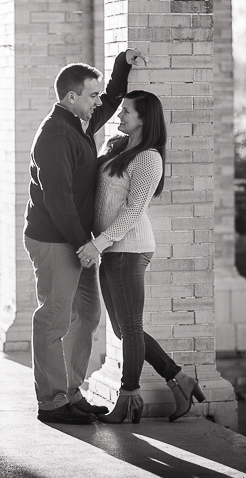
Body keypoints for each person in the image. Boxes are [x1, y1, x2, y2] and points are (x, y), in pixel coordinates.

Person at [26, 48, 145, 425]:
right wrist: (85, 246)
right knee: (54, 319)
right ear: (71, 97)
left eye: (96, 95)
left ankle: (71, 392)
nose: (98, 103)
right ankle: (51, 402)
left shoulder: (78, 122)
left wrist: (122, 65)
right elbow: (57, 198)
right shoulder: (55, 134)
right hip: (55, 239)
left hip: (75, 240)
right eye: (90, 95)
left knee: (88, 315)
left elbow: (110, 102)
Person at [77, 90, 205, 424]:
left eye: (126, 112)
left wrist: (99, 244)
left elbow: (134, 210)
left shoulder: (149, 158)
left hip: (129, 248)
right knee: (123, 329)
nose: (119, 116)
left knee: (130, 326)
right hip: (112, 248)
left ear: (144, 119)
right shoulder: (118, 147)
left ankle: (129, 398)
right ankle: (179, 378)